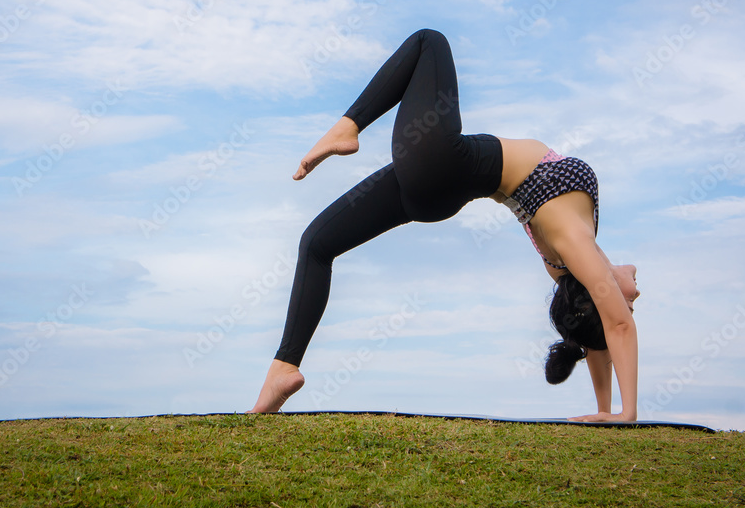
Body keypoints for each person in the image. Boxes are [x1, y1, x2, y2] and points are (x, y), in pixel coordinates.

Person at [247, 28, 640, 421]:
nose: (636, 293)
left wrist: (627, 414)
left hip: (442, 162)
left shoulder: (573, 243)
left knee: (429, 42)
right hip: (436, 189)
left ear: (600, 294)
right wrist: (604, 410)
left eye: (628, 303)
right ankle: (283, 368)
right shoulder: (569, 264)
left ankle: (348, 126)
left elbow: (617, 326)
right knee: (316, 244)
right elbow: (601, 334)